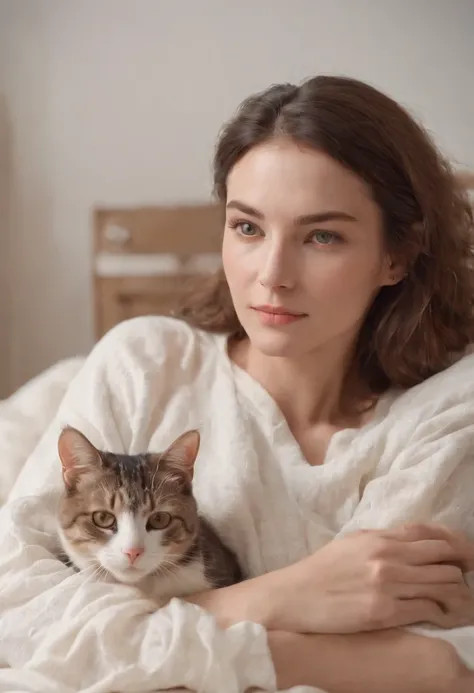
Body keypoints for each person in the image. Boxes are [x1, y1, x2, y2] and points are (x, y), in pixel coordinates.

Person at [2, 75, 474, 693]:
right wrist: (282, 596)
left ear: (398, 255)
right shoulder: (147, 362)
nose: (271, 276)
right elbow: (18, 608)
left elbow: (434, 654)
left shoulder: (446, 412)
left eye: (322, 236)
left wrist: (155, 633)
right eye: (248, 228)